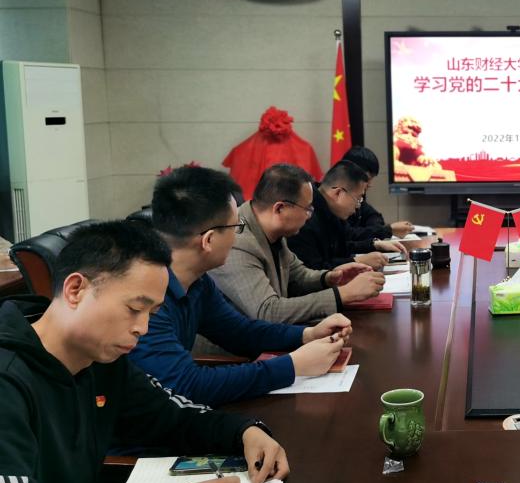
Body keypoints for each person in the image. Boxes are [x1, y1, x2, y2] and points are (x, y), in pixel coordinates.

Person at [0, 221, 290, 483]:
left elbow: (174, 417)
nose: (143, 328)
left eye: (152, 312)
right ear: (75, 290)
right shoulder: (8, 380)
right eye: (135, 309)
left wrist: (245, 432)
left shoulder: (102, 361)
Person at [129, 166, 353, 407]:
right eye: (236, 227)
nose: (238, 236)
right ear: (209, 240)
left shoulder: (198, 282)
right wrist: (293, 366)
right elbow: (187, 385)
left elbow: (241, 332)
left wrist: (307, 334)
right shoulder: (146, 299)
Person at [210, 164, 385, 325]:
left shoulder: (273, 228)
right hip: (235, 347)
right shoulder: (238, 241)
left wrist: (330, 277)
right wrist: (342, 295)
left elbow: (298, 275)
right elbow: (268, 311)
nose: (309, 216)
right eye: (307, 209)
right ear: (280, 209)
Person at [289, 160, 407, 272]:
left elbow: (343, 246)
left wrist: (374, 245)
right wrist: (357, 261)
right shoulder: (305, 217)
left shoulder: (330, 210)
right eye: (358, 198)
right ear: (338, 193)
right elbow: (312, 270)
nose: (358, 206)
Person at [342, 146, 417, 239]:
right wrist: (388, 230)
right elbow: (348, 236)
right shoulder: (335, 201)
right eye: (367, 179)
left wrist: (378, 230)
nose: (369, 184)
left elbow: (374, 216)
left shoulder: (357, 198)